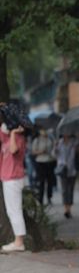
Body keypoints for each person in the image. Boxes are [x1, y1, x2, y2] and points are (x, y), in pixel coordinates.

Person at [0, 105, 27, 253]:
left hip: (14, 178)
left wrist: (14, 132)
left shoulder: (19, 138)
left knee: (14, 210)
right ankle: (18, 241)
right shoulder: (5, 137)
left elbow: (13, 150)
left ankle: (19, 242)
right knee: (12, 210)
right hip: (7, 178)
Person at [54, 131, 79, 219]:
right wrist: (55, 147)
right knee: (65, 190)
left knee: (71, 189)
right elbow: (54, 154)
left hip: (72, 169)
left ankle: (69, 208)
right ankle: (66, 209)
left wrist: (77, 149)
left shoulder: (75, 142)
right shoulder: (59, 142)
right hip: (62, 169)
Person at [31, 127, 56, 205]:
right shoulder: (37, 140)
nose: (44, 132)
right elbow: (33, 152)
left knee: (50, 181)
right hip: (40, 162)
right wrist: (41, 151)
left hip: (49, 161)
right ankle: (40, 198)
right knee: (41, 181)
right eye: (42, 130)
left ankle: (49, 197)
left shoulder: (50, 140)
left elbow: (53, 150)